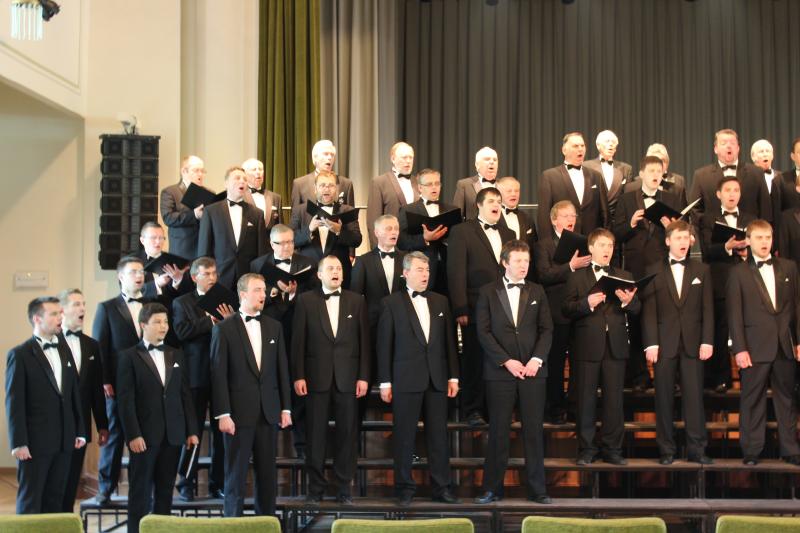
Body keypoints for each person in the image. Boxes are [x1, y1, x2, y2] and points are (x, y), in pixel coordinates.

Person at [377, 252, 460, 506]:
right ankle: (404, 489)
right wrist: (385, 381)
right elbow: (384, 345)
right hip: (405, 379)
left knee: (439, 437)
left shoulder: (441, 301)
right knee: (404, 436)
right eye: (420, 270)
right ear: (405, 274)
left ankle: (442, 488)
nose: (425, 274)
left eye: (427, 270)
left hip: (437, 378)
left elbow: (449, 343)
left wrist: (453, 376)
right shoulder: (391, 303)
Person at [474, 240, 553, 505]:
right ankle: (492, 489)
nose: (523, 265)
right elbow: (483, 332)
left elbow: (547, 329)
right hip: (500, 372)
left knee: (533, 431)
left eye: (526, 261)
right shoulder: (487, 291)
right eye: (518, 261)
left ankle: (538, 490)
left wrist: (536, 360)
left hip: (533, 372)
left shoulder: (538, 290)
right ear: (505, 262)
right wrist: (506, 361)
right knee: (498, 431)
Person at [211, 273, 292, 517]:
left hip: (268, 412)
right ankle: (232, 525)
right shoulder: (223, 329)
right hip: (237, 414)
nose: (263, 295)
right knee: (235, 475)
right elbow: (218, 375)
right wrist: (223, 414)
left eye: (264, 290)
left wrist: (286, 408)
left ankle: (266, 524)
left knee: (267, 476)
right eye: (257, 290)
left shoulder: (274, 327)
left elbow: (282, 370)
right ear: (243, 294)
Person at [291, 255, 370, 504]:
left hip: (348, 378)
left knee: (347, 434)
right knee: (315, 436)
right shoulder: (305, 300)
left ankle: (344, 488)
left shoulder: (357, 301)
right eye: (330, 268)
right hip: (315, 378)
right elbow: (298, 341)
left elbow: (364, 342)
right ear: (319, 274)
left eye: (339, 268)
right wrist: (299, 375)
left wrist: (364, 376)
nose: (336, 272)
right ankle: (315, 489)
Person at [117, 303, 198, 533]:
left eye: (165, 322)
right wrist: (133, 434)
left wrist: (192, 430)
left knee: (165, 491)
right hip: (144, 436)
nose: (163, 326)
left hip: (173, 434)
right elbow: (125, 401)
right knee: (140, 492)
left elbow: (184, 395)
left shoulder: (176, 353)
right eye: (157, 322)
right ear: (143, 325)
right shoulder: (128, 357)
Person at [562, 229, 640, 466]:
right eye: (603, 245)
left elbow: (637, 309)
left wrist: (628, 302)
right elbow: (566, 309)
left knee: (614, 400)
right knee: (585, 399)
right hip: (587, 346)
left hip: (615, 346)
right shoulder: (576, 277)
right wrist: (586, 303)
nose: (607, 250)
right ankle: (587, 449)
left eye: (611, 245)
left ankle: (612, 449)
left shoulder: (624, 275)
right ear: (591, 248)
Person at [641, 220, 714, 465]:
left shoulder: (702, 270)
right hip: (664, 344)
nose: (683, 242)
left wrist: (707, 341)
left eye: (686, 238)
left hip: (694, 343)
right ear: (668, 241)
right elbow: (649, 310)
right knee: (663, 398)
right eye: (678, 238)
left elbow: (708, 309)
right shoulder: (653, 269)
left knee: (694, 398)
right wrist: (651, 343)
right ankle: (666, 450)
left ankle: (697, 449)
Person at [728, 220, 800, 466]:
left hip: (784, 345)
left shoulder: (789, 267)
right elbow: (735, 315)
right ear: (748, 241)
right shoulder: (738, 272)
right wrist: (740, 348)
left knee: (787, 399)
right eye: (759, 238)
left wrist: (798, 341)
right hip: (754, 346)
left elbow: (797, 307)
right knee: (752, 398)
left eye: (768, 237)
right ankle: (751, 450)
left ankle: (790, 449)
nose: (764, 242)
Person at [6, 296, 85, 514]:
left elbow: (73, 393)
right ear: (37, 319)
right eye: (54, 314)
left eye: (61, 313)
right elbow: (14, 402)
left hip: (65, 440)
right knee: (31, 501)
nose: (61, 317)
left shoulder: (64, 350)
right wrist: (19, 442)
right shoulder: (20, 354)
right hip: (35, 443)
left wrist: (79, 429)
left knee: (56, 500)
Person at [613, 155, 683, 391]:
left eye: (659, 171)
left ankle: (669, 378)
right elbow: (615, 235)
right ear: (641, 174)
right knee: (635, 322)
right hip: (635, 270)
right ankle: (639, 377)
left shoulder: (671, 198)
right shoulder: (626, 200)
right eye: (651, 170)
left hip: (663, 269)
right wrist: (631, 223)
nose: (655, 175)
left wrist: (671, 228)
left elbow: (682, 236)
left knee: (666, 323)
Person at [250, 224, 319, 459]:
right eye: (282, 243)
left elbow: (315, 296)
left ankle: (302, 445)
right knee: (270, 381)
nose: (287, 247)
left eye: (290, 242)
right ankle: (266, 445)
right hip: (269, 330)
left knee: (299, 383)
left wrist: (293, 294)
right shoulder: (258, 265)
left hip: (299, 329)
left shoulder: (308, 263)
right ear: (272, 244)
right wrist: (273, 293)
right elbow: (252, 299)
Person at [448, 187, 515, 426]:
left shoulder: (509, 232)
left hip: (504, 307)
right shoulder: (462, 231)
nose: (496, 205)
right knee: (474, 360)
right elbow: (456, 271)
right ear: (479, 205)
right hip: (474, 306)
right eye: (491, 201)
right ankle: (473, 410)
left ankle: (496, 409)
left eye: (499, 201)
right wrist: (460, 308)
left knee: (499, 360)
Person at [172, 257, 234, 501]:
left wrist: (229, 322)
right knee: (193, 430)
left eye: (214, 273)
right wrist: (209, 320)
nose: (211, 278)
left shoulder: (225, 300)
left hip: (221, 375)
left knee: (221, 434)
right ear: (194, 277)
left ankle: (218, 483)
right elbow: (181, 332)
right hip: (195, 376)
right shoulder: (182, 302)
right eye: (206, 274)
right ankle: (186, 482)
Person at [93, 256, 153, 505]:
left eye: (141, 271)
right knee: (116, 435)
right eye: (133, 272)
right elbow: (100, 347)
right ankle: (105, 488)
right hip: (118, 382)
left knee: (147, 434)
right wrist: (105, 379)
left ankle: (144, 490)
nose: (139, 276)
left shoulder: (153, 305)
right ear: (120, 276)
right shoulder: (107, 308)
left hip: (148, 381)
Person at [533, 201, 592, 423]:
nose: (571, 219)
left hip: (580, 310)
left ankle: (576, 408)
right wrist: (570, 266)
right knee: (556, 363)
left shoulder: (584, 243)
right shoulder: (543, 245)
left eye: (573, 215)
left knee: (579, 363)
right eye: (566, 216)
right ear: (553, 220)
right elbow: (544, 275)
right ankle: (555, 409)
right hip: (556, 312)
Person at [699, 176, 756, 393]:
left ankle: (749, 376)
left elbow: (761, 246)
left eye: (736, 190)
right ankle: (721, 378)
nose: (732, 194)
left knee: (748, 329)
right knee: (720, 331)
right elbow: (706, 251)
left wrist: (747, 252)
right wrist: (727, 247)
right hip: (720, 281)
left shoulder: (750, 218)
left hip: (747, 280)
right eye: (728, 190)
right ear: (718, 194)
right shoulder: (708, 219)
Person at [57, 289, 109, 512]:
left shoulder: (91, 345)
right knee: (55, 481)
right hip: (56, 425)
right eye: (76, 304)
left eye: (84, 304)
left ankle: (67, 521)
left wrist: (103, 424)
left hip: (81, 424)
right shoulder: (51, 343)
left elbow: (96, 389)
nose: (82, 309)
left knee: (72, 480)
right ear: (62, 310)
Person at [197, 166, 268, 290]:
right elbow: (204, 249)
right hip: (219, 276)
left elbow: (261, 251)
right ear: (226, 183)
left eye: (245, 179)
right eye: (237, 178)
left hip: (248, 278)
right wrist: (206, 277)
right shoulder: (211, 211)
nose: (242, 181)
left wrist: (259, 278)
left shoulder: (257, 213)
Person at [291, 169, 362, 288]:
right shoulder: (300, 210)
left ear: (336, 189)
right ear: (315, 188)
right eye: (322, 185)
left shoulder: (347, 210)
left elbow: (357, 240)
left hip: (338, 274)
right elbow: (291, 240)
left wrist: (339, 231)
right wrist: (309, 229)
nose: (327, 189)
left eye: (331, 185)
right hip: (308, 274)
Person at [688, 128, 771, 225]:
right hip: (713, 233)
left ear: (738, 148)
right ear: (715, 149)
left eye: (732, 143)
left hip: (749, 232)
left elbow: (765, 208)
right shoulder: (701, 176)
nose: (729, 146)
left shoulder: (756, 173)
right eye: (723, 143)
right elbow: (695, 210)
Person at [537, 132, 608, 237]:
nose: (580, 149)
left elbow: (604, 212)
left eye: (582, 145)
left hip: (592, 240)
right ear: (564, 150)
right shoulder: (550, 176)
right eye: (575, 146)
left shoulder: (596, 176)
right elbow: (544, 215)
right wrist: (547, 242)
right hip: (564, 239)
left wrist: (605, 237)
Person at [397, 168, 454, 294]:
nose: (434, 187)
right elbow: (401, 241)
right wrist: (424, 239)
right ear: (420, 188)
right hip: (422, 269)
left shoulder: (451, 209)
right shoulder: (408, 210)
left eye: (437, 183)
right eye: (429, 184)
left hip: (448, 268)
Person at [366, 142, 419, 247]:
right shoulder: (379, 182)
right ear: (393, 159)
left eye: (411, 157)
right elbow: (373, 221)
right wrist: (378, 250)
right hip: (391, 246)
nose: (408, 161)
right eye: (404, 157)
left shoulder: (418, 182)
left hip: (415, 246)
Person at [290, 139, 355, 221]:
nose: (330, 157)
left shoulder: (346, 184)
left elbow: (351, 220)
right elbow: (295, 219)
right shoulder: (299, 184)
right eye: (326, 154)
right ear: (315, 157)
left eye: (332, 155)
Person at [160, 155, 207, 260]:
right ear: (184, 171)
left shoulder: (208, 193)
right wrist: (194, 215)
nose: (200, 174)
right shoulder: (171, 192)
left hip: (204, 249)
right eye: (196, 170)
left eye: (202, 171)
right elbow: (168, 218)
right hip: (182, 251)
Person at [583, 130, 633, 224]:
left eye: (613, 142)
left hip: (617, 220)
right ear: (598, 146)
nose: (611, 144)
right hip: (595, 219)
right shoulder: (586, 166)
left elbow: (628, 197)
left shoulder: (626, 169)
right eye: (607, 141)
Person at [453, 146, 500, 220]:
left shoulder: (504, 185)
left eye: (495, 160)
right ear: (477, 164)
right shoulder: (465, 185)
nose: (492, 162)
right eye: (487, 159)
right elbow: (456, 216)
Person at [750, 140, 782, 249]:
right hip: (756, 228)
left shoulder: (782, 177)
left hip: (778, 230)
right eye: (761, 151)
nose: (765, 154)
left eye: (768, 151)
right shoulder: (748, 178)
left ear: (772, 156)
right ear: (753, 157)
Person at [496, 176, 538, 248]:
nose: (513, 194)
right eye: (509, 191)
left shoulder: (527, 218)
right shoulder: (493, 217)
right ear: (499, 194)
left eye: (516, 191)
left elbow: (534, 246)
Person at [242, 158, 283, 229]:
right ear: (245, 174)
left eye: (260, 169)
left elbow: (280, 227)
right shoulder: (239, 196)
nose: (258, 172)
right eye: (254, 169)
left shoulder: (275, 197)